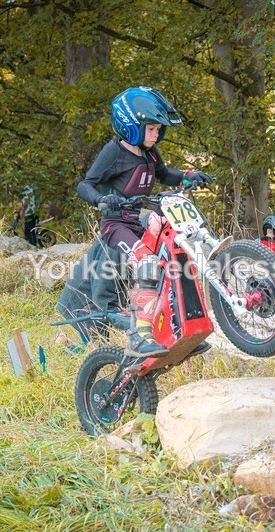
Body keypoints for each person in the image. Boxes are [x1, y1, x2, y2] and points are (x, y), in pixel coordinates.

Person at [76, 86, 213, 357]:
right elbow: (85, 184)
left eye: (158, 130)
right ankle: (139, 337)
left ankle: (177, 328)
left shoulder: (150, 153)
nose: (157, 134)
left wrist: (189, 175)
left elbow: (164, 175)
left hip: (139, 221)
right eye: (152, 129)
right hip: (116, 225)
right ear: (131, 126)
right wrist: (102, 201)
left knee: (169, 261)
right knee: (146, 262)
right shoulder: (113, 152)